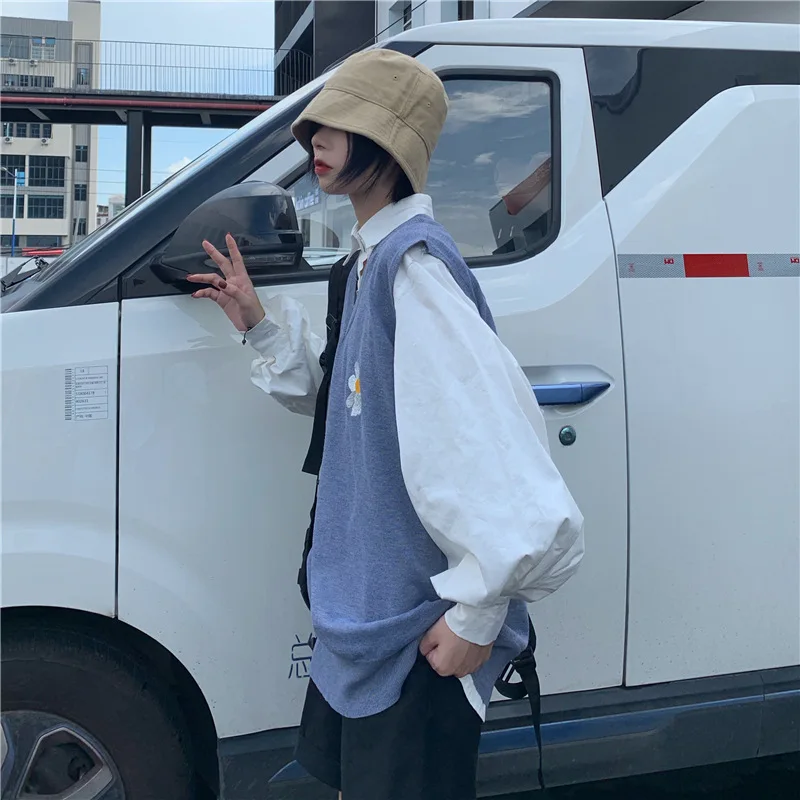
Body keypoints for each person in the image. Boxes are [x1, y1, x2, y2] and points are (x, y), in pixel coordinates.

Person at [187, 48, 584, 800]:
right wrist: (258, 324)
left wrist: (478, 612)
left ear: (391, 141)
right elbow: (352, 405)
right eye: (314, 127)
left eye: (340, 124)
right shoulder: (366, 264)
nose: (317, 140)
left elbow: (493, 450)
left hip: (414, 629)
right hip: (369, 617)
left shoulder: (416, 271)